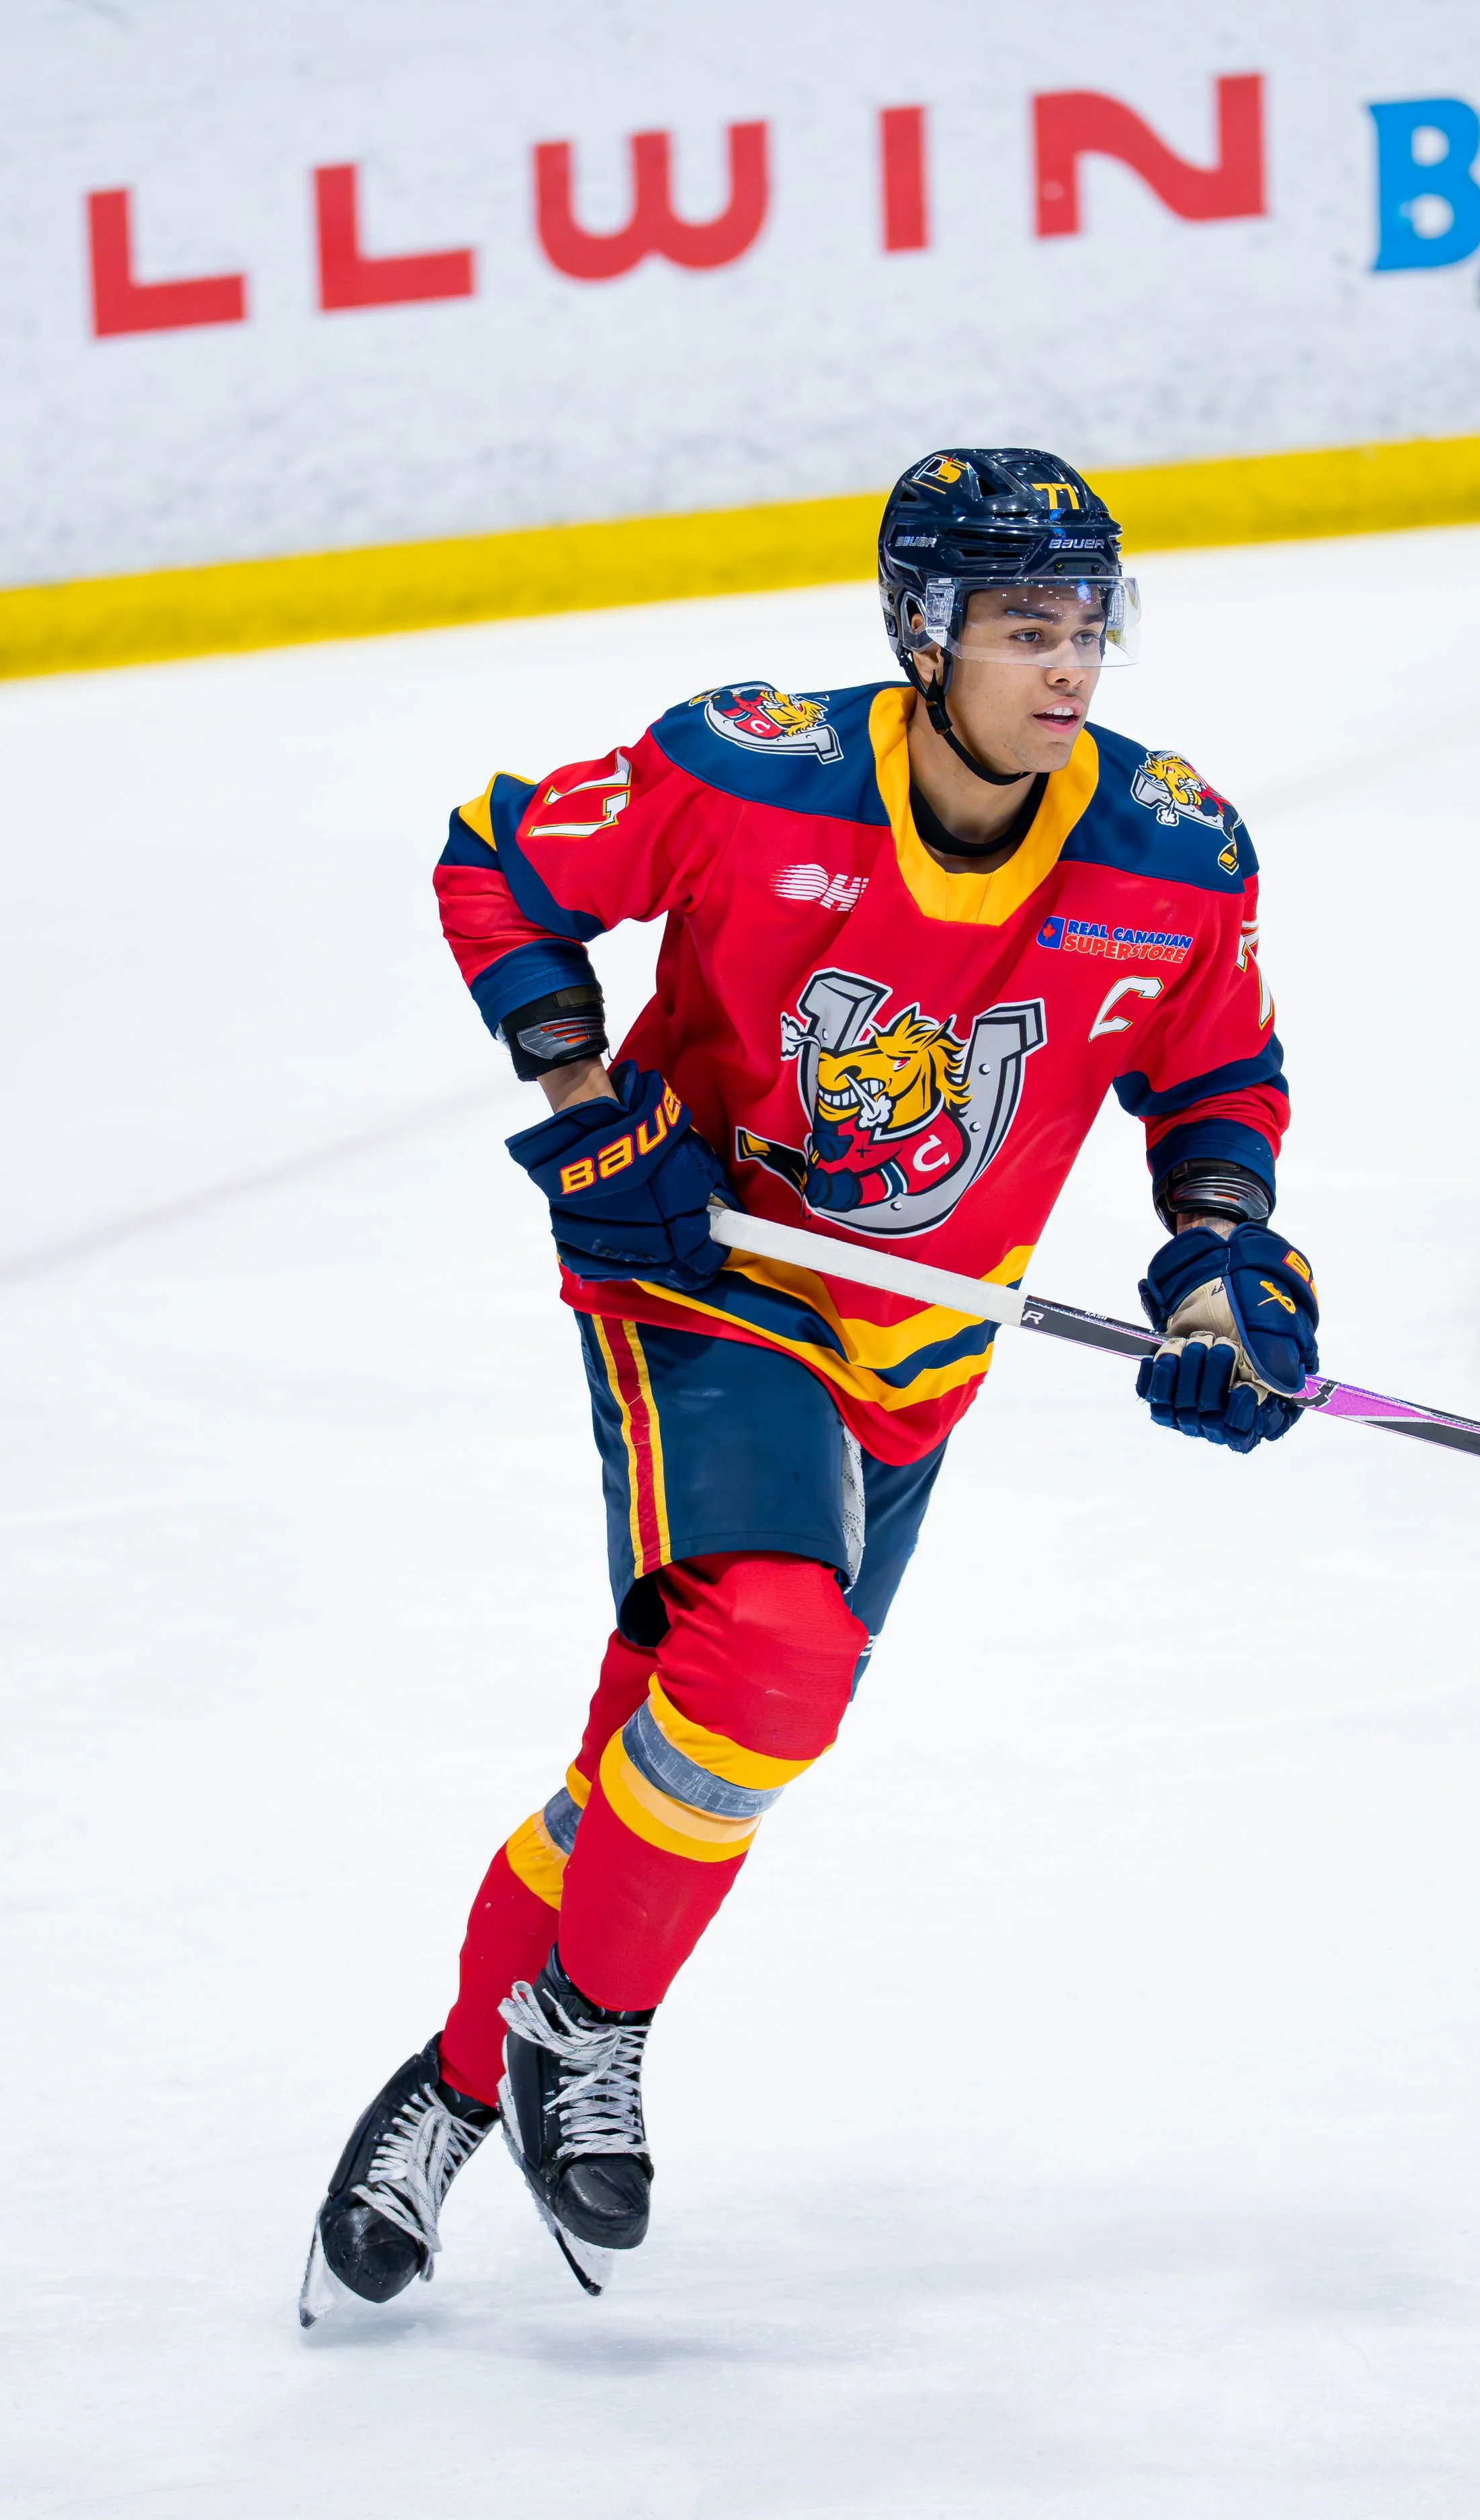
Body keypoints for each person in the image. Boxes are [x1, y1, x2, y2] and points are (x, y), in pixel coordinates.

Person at [299, 448, 1319, 2323]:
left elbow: (1215, 1080)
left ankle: (456, 2080)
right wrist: (581, 1096)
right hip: (708, 1279)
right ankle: (586, 2031)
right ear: (920, 628)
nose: (1069, 662)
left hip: (916, 1350)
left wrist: (1229, 1263)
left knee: (681, 1744)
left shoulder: (1175, 847)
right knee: (769, 1662)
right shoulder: (745, 766)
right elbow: (499, 852)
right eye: (1026, 625)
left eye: (1088, 620)